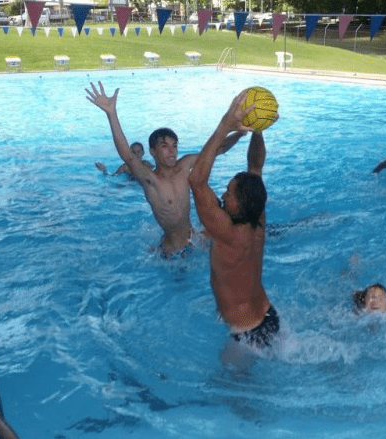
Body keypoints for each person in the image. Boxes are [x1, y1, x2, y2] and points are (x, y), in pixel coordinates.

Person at [86, 81, 245, 257]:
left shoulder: (184, 166)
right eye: (164, 146)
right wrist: (111, 114)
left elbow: (218, 149)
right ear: (153, 152)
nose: (172, 150)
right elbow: (128, 156)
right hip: (173, 253)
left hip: (195, 238)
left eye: (174, 146)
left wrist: (240, 132)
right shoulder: (151, 180)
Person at [188, 91, 278, 349]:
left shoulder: (226, 232)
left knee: (223, 388)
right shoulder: (257, 214)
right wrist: (258, 129)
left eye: (229, 192)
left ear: (240, 202)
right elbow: (256, 167)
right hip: (268, 315)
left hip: (247, 335)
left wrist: (226, 124)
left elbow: (196, 181)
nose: (224, 194)